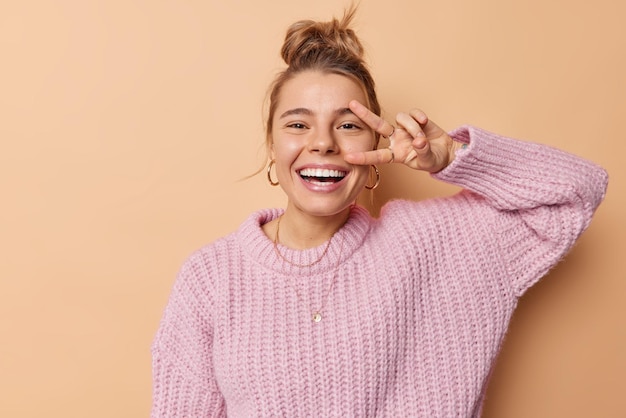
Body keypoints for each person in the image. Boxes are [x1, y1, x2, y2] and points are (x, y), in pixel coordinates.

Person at [150, 7, 608, 418]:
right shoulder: (212, 279)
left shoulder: (436, 243)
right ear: (272, 146)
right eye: (298, 124)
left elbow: (574, 193)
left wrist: (451, 156)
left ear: (375, 145)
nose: (324, 142)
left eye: (348, 125)